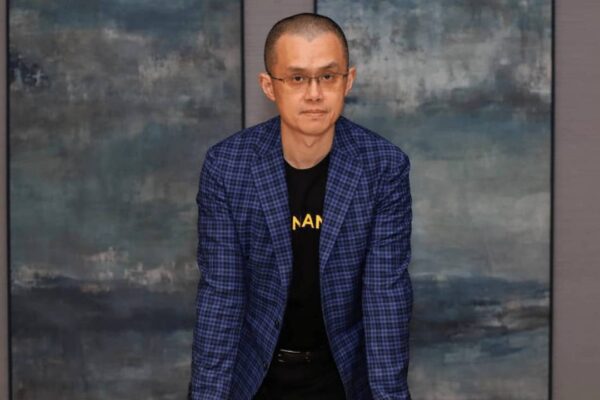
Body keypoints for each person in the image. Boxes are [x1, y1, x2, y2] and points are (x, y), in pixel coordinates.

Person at [189, 13, 413, 400]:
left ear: (348, 80)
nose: (314, 93)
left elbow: (385, 297)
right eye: (296, 78)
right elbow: (222, 295)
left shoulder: (383, 167)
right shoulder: (227, 167)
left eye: (328, 76)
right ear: (269, 86)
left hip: (342, 376)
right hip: (255, 375)